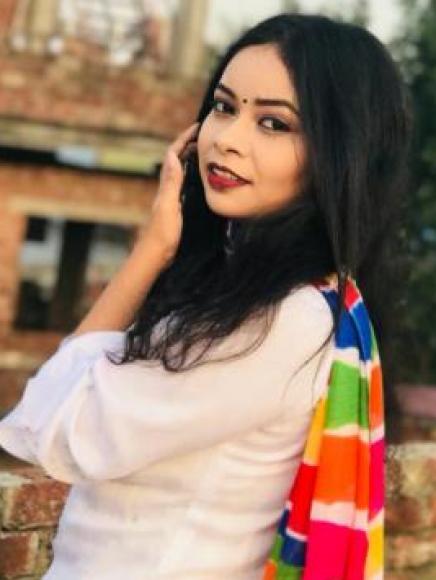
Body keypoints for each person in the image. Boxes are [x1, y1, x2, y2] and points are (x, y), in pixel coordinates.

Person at [0, 13, 411, 580]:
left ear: (339, 153)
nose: (228, 140)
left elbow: (50, 431)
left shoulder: (276, 319)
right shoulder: (281, 291)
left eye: (273, 123)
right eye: (224, 106)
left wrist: (150, 250)